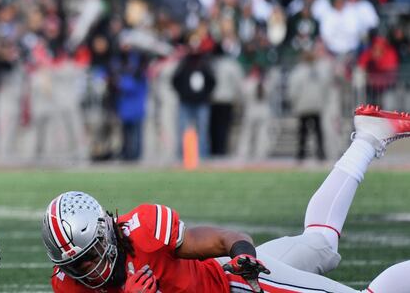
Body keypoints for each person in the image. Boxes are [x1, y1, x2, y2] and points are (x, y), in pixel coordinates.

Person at [43, 104, 410, 292]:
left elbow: (223, 239)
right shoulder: (67, 282)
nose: (86, 269)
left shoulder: (144, 231)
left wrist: (243, 255)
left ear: (105, 236)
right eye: (76, 264)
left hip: (238, 286)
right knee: (320, 245)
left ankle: (367, 140)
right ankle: (367, 138)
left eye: (89, 255)